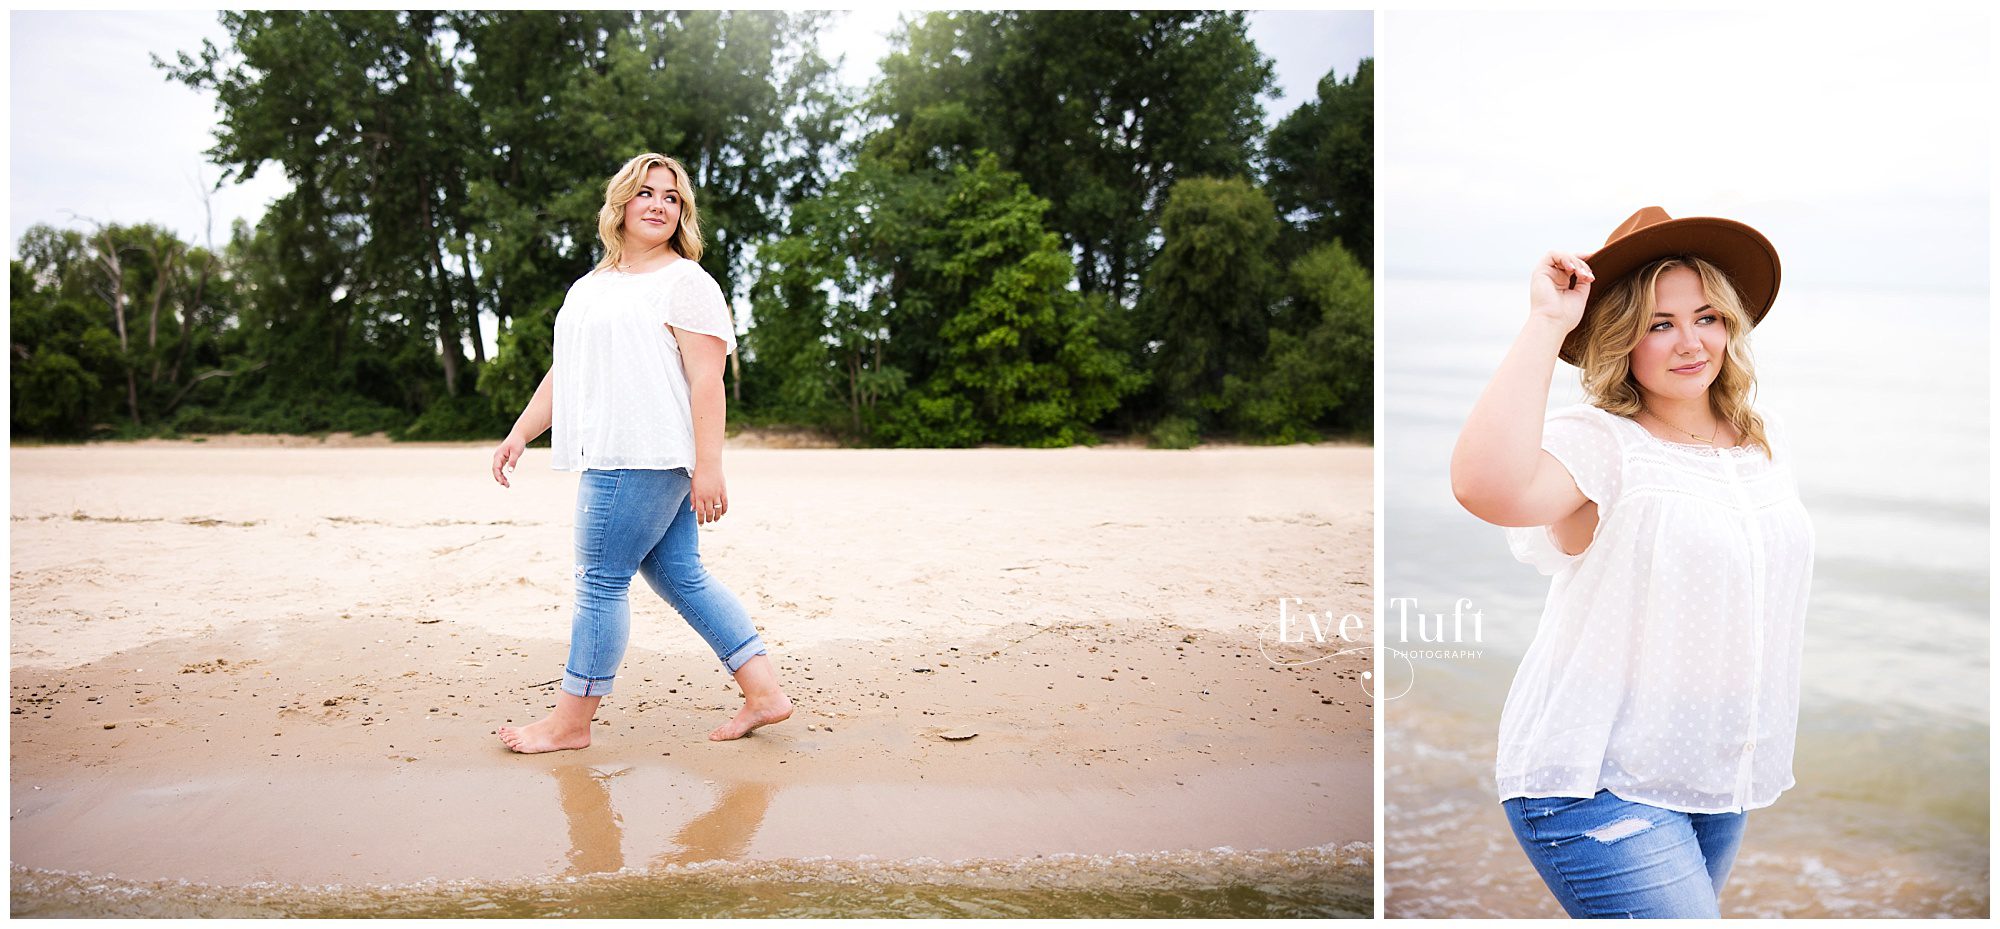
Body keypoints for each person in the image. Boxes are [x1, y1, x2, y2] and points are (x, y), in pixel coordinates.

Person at [1449, 207, 1814, 918]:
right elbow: (1484, 486)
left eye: (1706, 316)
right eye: (1659, 323)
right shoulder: (1603, 445)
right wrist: (1547, 322)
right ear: (1622, 339)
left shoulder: (1757, 445)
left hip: (1711, 781)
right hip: (1595, 782)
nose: (1691, 342)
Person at [488, 152, 792, 752]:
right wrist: (521, 432)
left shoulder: (687, 283)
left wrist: (711, 466)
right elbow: (565, 373)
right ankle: (765, 694)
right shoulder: (590, 288)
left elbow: (708, 380)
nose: (658, 204)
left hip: (647, 456)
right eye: (647, 193)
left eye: (672, 197)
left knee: (600, 580)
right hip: (612, 451)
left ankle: (571, 723)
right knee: (679, 574)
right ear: (621, 203)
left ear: (683, 212)